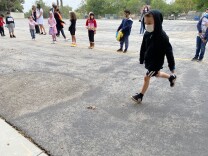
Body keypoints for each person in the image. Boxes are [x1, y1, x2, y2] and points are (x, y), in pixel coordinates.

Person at [131, 10, 177, 103]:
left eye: (149, 23)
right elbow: (143, 46)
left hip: (155, 63)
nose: (147, 25)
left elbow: (169, 51)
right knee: (157, 74)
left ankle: (140, 96)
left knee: (147, 77)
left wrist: (171, 66)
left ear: (158, 22)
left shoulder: (163, 36)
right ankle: (171, 77)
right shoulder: (147, 33)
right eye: (145, 23)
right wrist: (141, 58)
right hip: (149, 59)